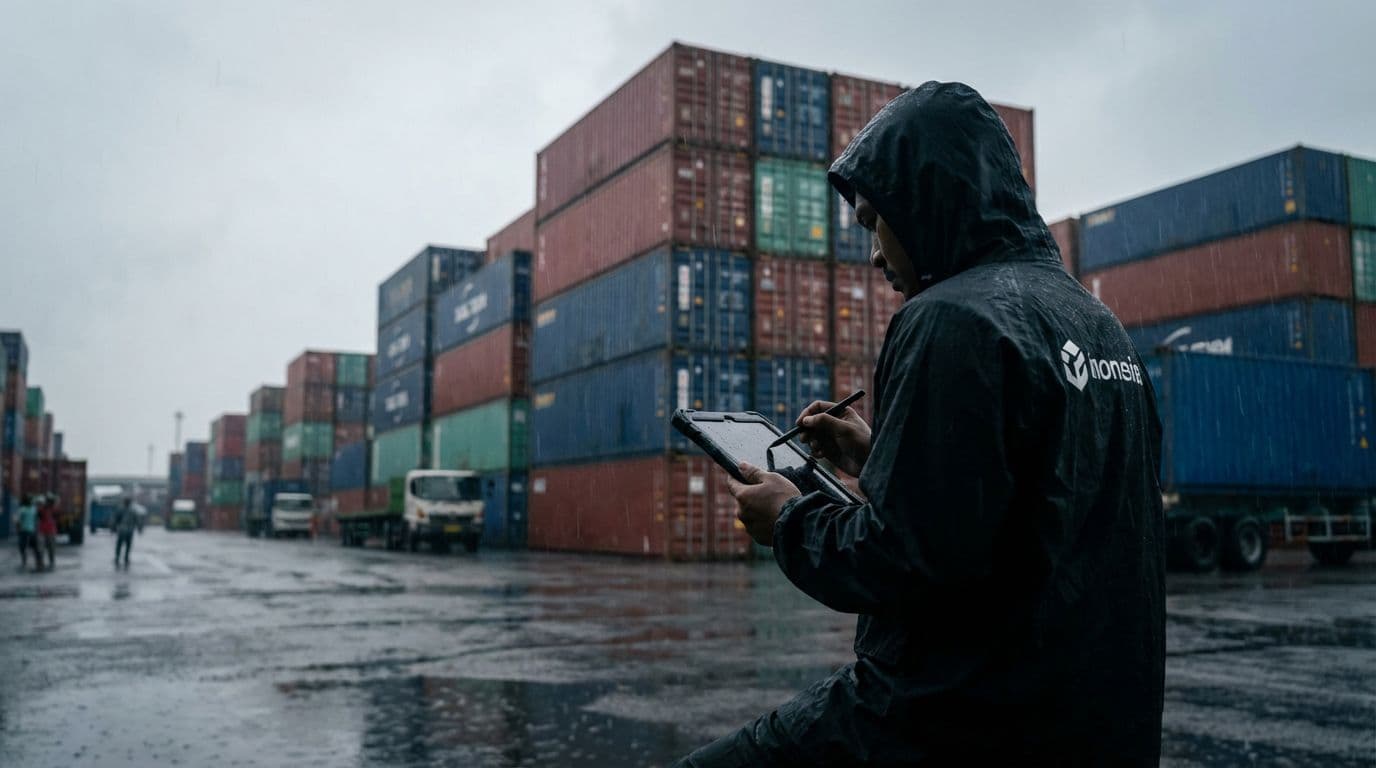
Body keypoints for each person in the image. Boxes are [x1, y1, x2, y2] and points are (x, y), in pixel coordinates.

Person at [677, 82, 1165, 765]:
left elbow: (900, 563)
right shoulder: (1097, 323)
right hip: (1094, 724)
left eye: (878, 220)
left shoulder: (950, 319)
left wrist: (787, 520)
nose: (875, 254)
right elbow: (1032, 508)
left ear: (929, 198)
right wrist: (879, 454)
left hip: (952, 719)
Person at [15, 495, 42, 571]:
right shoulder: (23, 509)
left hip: (30, 531)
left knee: (34, 547)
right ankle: (25, 562)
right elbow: (18, 521)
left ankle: (38, 563)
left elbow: (36, 520)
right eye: (29, 500)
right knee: (24, 547)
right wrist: (18, 530)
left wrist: (37, 529)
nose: (30, 502)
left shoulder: (32, 509)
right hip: (25, 531)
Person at [36, 494, 58, 571]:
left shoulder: (54, 510)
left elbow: (56, 516)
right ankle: (41, 563)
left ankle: (51, 562)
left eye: (50, 501)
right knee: (40, 548)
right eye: (48, 501)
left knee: (51, 548)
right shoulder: (42, 509)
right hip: (42, 531)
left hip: (50, 531)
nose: (49, 503)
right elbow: (38, 515)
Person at [113, 498, 137, 567]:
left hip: (123, 530)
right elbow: (136, 520)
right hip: (127, 530)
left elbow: (116, 519)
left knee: (121, 545)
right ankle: (124, 558)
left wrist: (114, 527)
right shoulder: (132, 510)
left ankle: (120, 557)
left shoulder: (121, 510)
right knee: (126, 545)